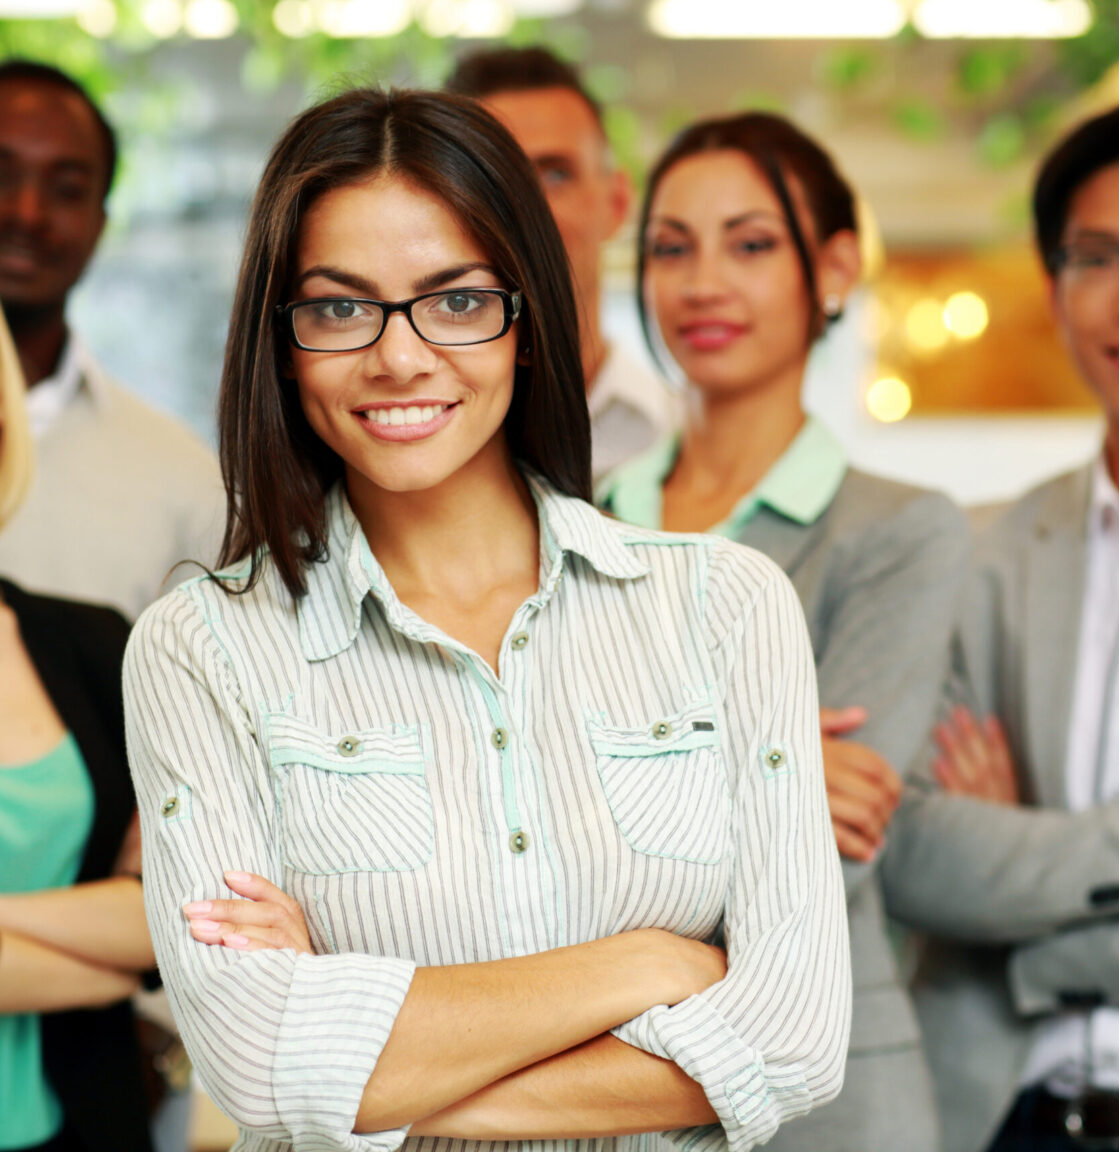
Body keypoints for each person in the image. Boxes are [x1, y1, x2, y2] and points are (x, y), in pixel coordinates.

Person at [122, 86, 850, 1152]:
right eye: (339, 307)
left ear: (527, 318)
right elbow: (255, 1067)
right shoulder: (203, 649)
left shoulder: (725, 607)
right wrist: (643, 966)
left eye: (456, 300)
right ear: (281, 342)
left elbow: (793, 1041)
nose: (400, 356)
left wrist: (365, 1057)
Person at [598, 111, 969, 1152]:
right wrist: (770, 764)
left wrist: (594, 772)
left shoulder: (899, 531)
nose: (703, 282)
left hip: (828, 1101)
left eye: (750, 243)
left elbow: (823, 861)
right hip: (593, 1081)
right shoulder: (567, 522)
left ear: (836, 268)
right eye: (672, 247)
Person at [882, 96, 1119, 1152]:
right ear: (1053, 286)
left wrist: (1026, 925)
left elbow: (978, 883)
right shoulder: (974, 554)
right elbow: (913, 856)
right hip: (1003, 1121)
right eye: (1099, 256)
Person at [0, 303, 155, 1152]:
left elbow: (170, 923)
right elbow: (128, 935)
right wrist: (101, 952)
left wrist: (136, 940)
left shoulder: (96, 646)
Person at [0, 59, 222, 619]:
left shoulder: (186, 485)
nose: (27, 212)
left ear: (100, 223)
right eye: (0, 176)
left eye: (67, 189)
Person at [445, 46, 676, 481]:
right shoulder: (406, 443)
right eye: (490, 179)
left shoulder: (678, 439)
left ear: (617, 202)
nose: (525, 208)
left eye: (555, 175)